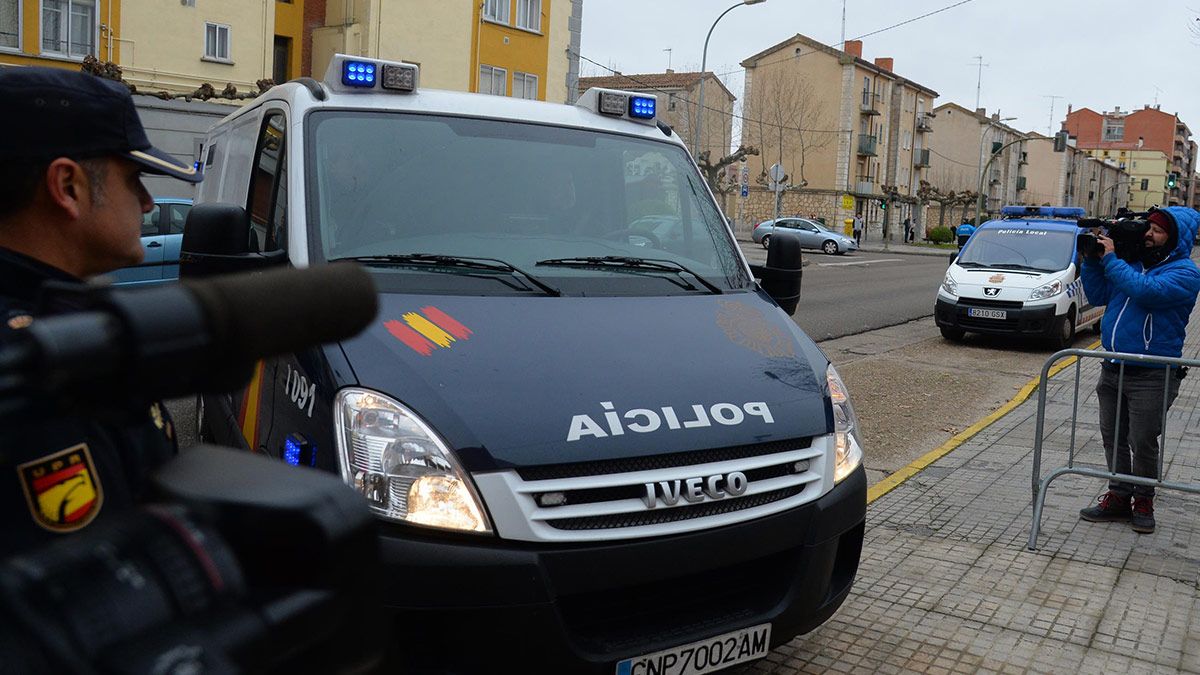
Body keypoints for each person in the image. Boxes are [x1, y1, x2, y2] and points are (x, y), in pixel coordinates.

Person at [0, 67, 202, 556]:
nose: (150, 202)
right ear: (68, 186)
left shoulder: (60, 322)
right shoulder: (39, 372)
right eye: (134, 179)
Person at [1078, 207, 1200, 534]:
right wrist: (1091, 259)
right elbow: (1099, 294)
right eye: (1148, 228)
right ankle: (1118, 496)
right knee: (1113, 437)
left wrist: (1112, 260)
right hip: (1114, 367)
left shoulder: (1185, 272)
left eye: (1158, 231)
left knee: (1142, 440)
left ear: (1174, 238)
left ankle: (1143, 499)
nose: (1149, 234)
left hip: (1153, 374)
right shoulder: (1132, 264)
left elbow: (1146, 292)